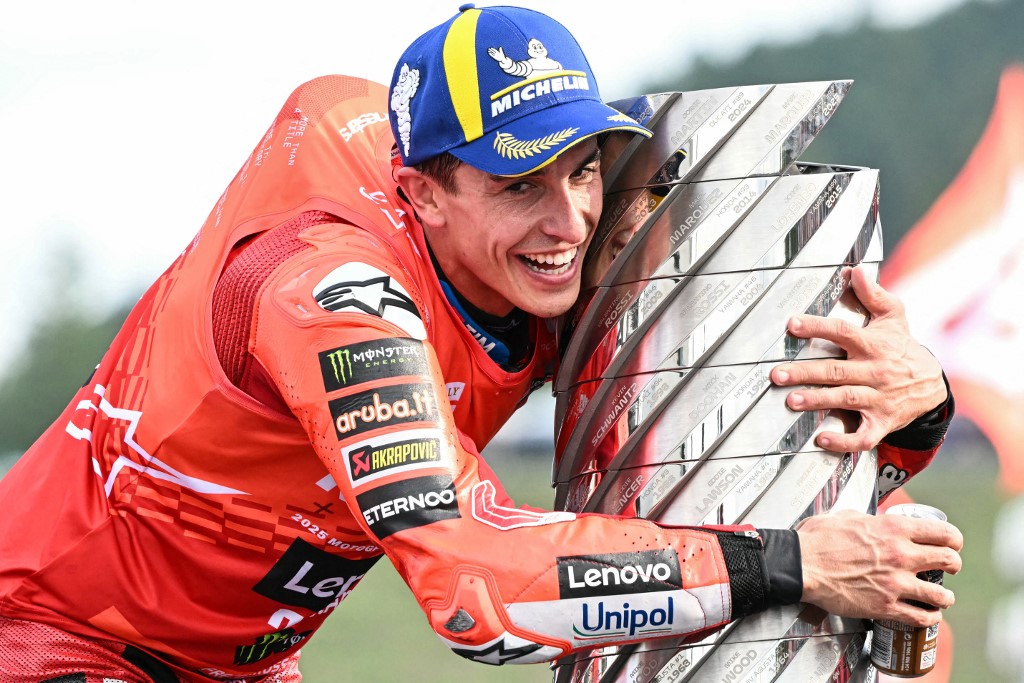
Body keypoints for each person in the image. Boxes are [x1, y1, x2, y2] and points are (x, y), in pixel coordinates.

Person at [0, 4, 961, 682]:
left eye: (581, 169)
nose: (569, 222)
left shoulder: (537, 246)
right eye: (518, 185)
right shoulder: (334, 294)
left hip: (238, 658)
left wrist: (914, 403)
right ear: (422, 192)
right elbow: (478, 598)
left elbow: (761, 425)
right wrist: (788, 564)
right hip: (53, 630)